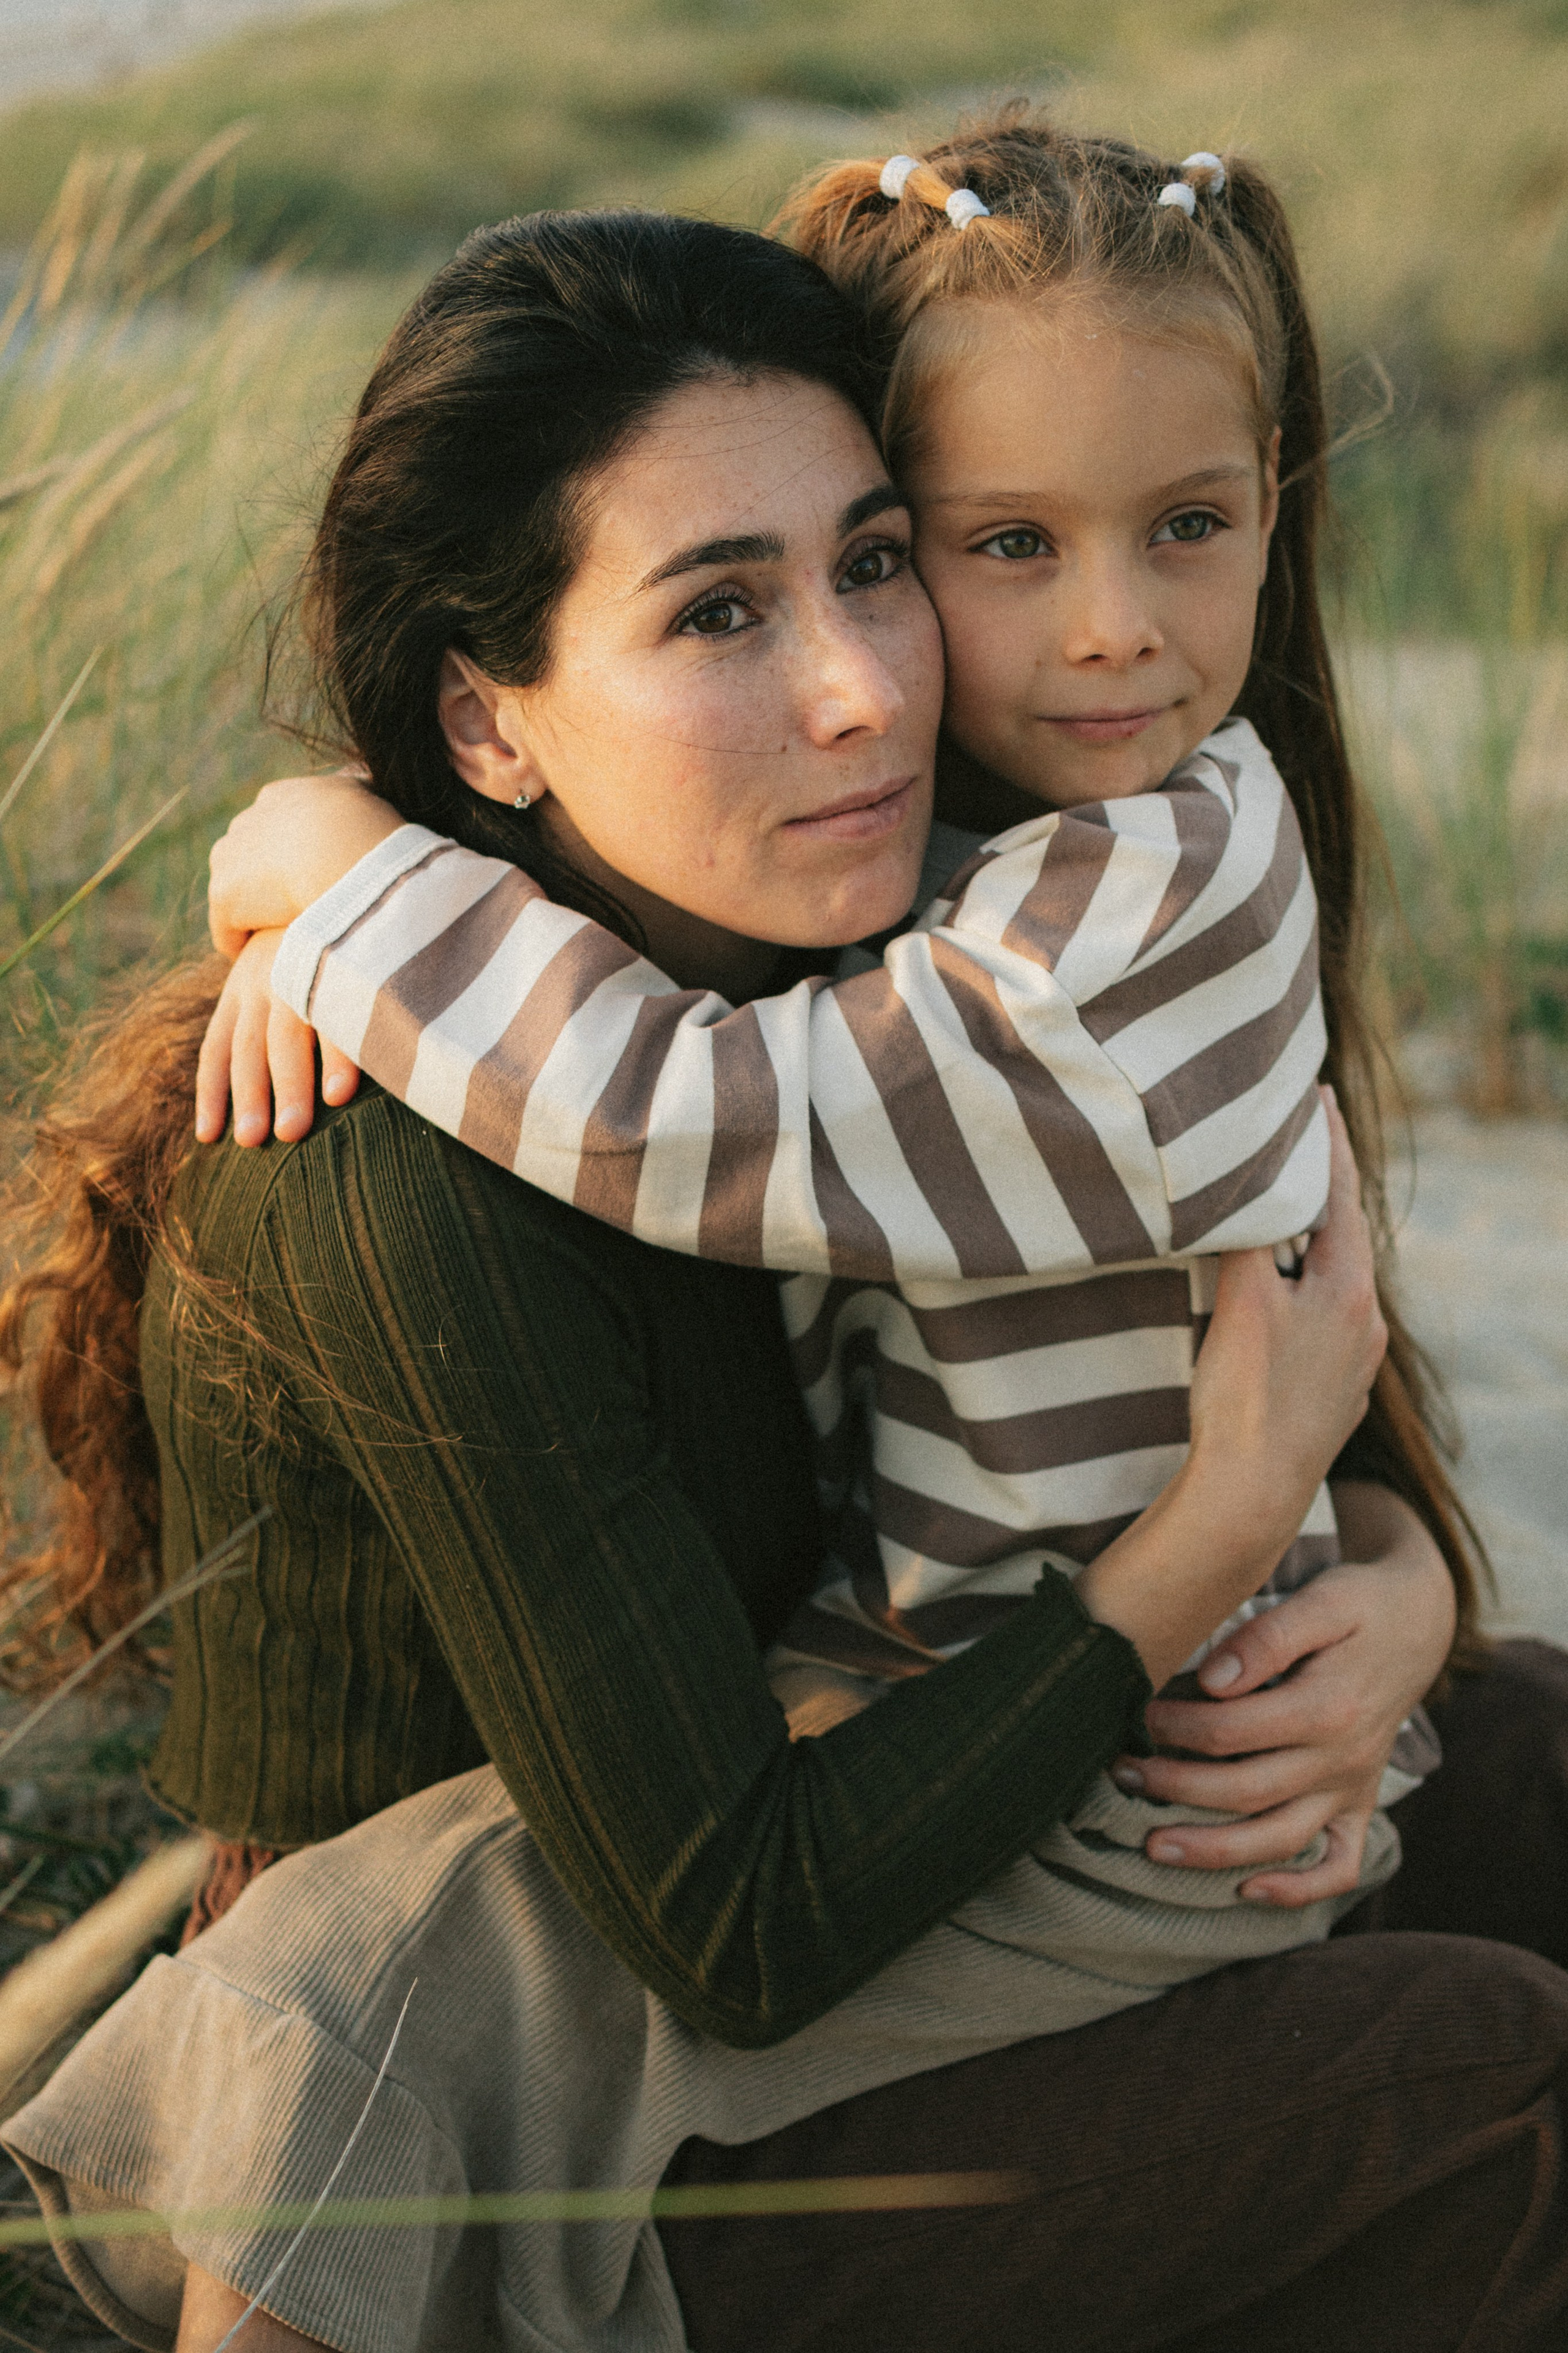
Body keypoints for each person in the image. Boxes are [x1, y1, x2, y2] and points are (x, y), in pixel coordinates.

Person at [0, 185, 1559, 2353]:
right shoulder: (405, 1177)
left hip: (933, 1788)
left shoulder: (958, 932)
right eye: (721, 612)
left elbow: (1256, 1359)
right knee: (1498, 2077)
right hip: (556, 2128)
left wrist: (1384, 1577)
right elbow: (736, 1921)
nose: (860, 690)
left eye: (879, 563)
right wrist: (1214, 1540)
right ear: (487, 725)